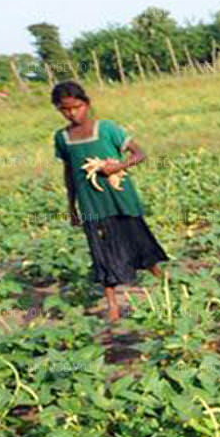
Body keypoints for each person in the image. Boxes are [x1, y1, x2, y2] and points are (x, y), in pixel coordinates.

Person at [51, 81, 168, 321]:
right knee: (101, 251)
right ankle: (112, 305)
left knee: (138, 240)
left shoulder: (106, 129)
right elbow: (69, 173)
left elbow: (139, 154)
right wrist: (71, 206)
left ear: (87, 104)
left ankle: (163, 278)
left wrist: (117, 166)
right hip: (91, 203)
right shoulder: (62, 138)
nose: (72, 113)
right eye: (65, 109)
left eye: (77, 107)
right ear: (59, 110)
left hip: (120, 198)